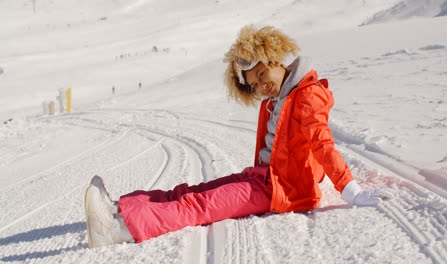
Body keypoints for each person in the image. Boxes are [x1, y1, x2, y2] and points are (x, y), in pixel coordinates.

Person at [84, 25, 394, 248]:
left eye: (262, 75)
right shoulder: (279, 97)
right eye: (254, 84)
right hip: (262, 178)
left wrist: (350, 189)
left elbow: (322, 143)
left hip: (278, 191)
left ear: (275, 60)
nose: (261, 86)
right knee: (192, 191)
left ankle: (116, 230)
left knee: (199, 206)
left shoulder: (306, 95)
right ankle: (120, 208)